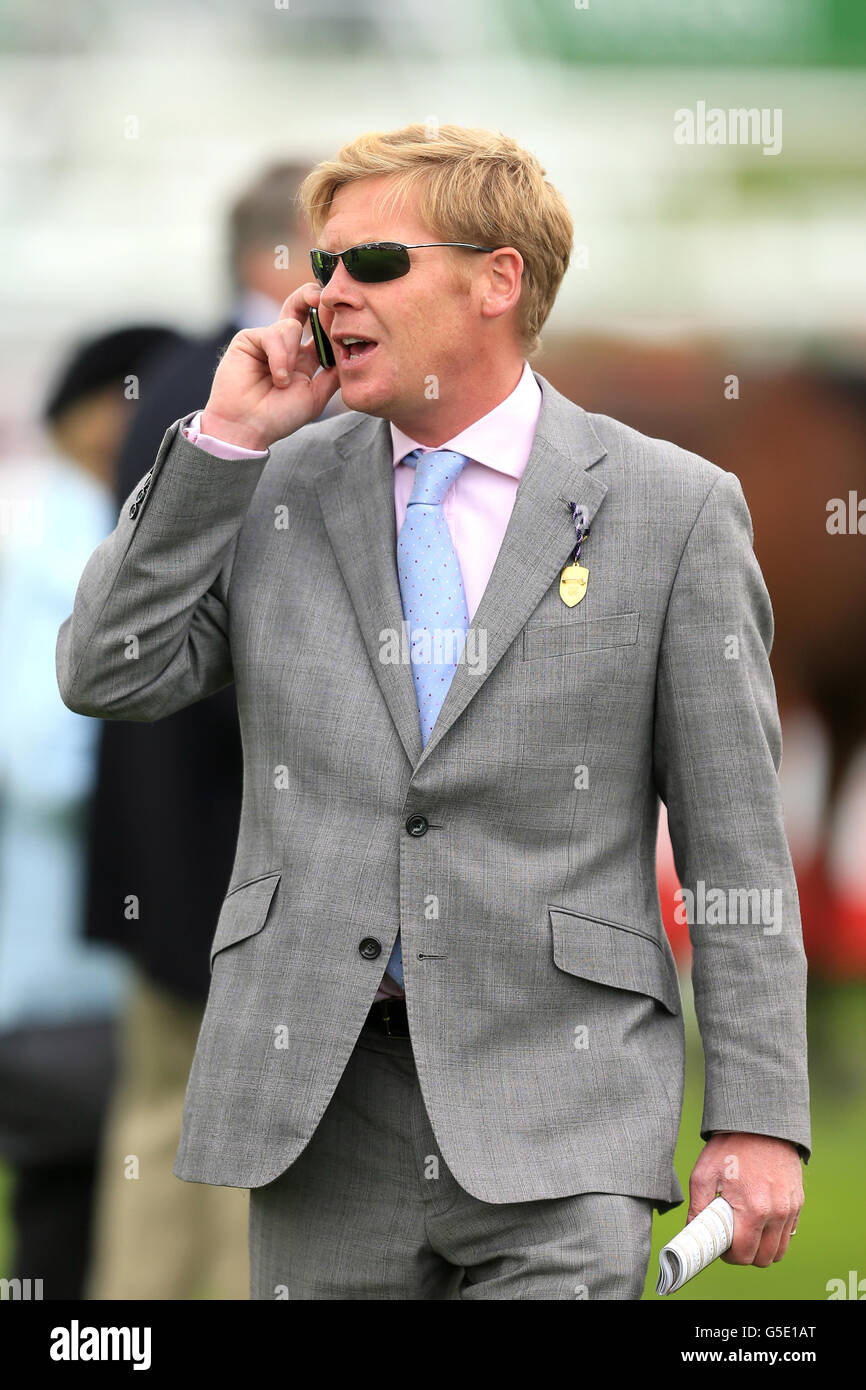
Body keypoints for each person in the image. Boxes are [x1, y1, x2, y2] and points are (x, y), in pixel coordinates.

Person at [56, 125, 810, 1300]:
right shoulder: (273, 481)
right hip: (319, 1107)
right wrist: (221, 443)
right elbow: (108, 668)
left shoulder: (671, 507)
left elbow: (736, 847)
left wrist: (758, 1114)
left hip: (564, 1114)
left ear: (496, 279)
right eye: (321, 267)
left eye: (372, 264)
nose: (326, 295)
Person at [81, 161, 325, 1302]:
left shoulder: (167, 378)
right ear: (268, 260)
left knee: (155, 1120)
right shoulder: (262, 400)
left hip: (150, 824)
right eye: (328, 252)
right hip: (234, 819)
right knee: (248, 1132)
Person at [0, 324, 181, 1298]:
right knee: (72, 1239)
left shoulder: (67, 523)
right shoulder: (57, 537)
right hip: (61, 984)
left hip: (72, 979)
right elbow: (43, 753)